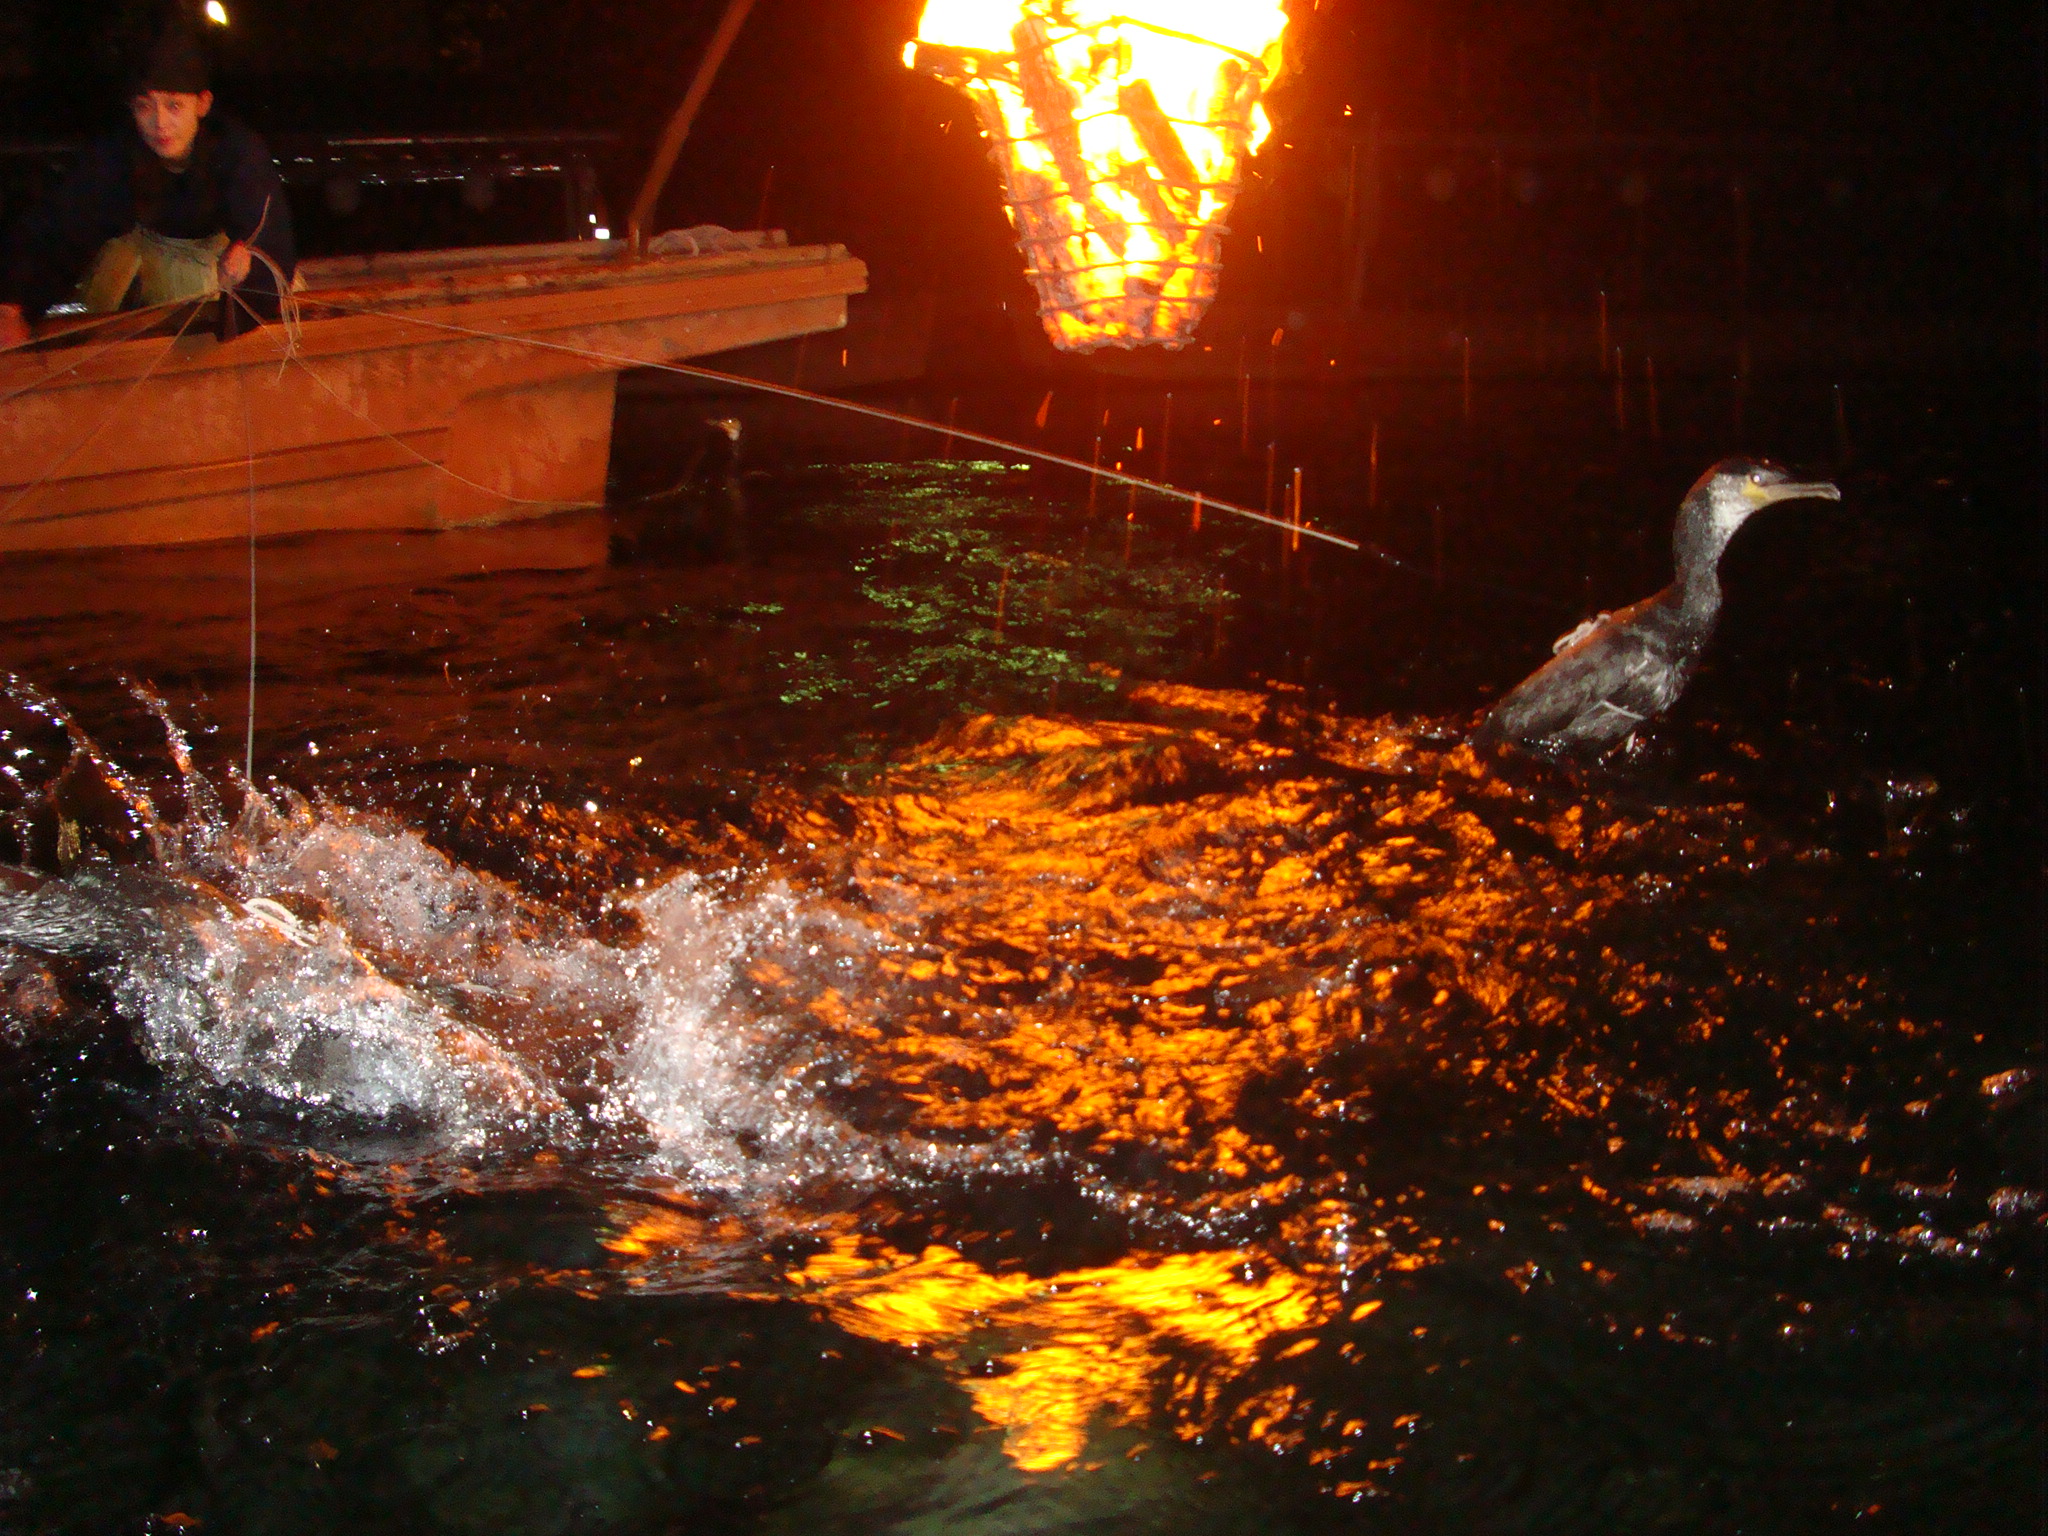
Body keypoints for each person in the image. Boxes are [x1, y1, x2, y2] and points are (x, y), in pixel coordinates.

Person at [0, 20, 296, 349]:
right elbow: (60, 226)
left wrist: (247, 263)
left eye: (174, 106)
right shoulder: (118, 154)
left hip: (216, 276)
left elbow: (268, 234)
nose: (160, 123)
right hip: (147, 270)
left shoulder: (237, 151)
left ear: (202, 104)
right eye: (144, 107)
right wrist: (12, 305)